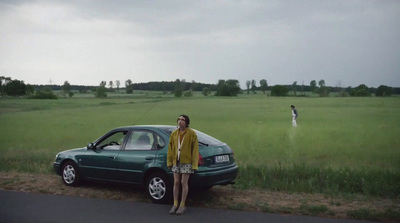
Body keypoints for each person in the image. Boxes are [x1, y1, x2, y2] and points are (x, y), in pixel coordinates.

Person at [167, 114, 199, 215]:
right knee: (176, 182)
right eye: (179, 119)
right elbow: (170, 149)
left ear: (186, 122)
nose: (180, 121)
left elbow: (195, 150)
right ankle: (175, 203)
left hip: (187, 161)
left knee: (183, 183)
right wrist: (169, 162)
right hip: (176, 161)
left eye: (183, 120)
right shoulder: (174, 134)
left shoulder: (192, 134)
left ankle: (182, 204)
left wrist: (194, 165)